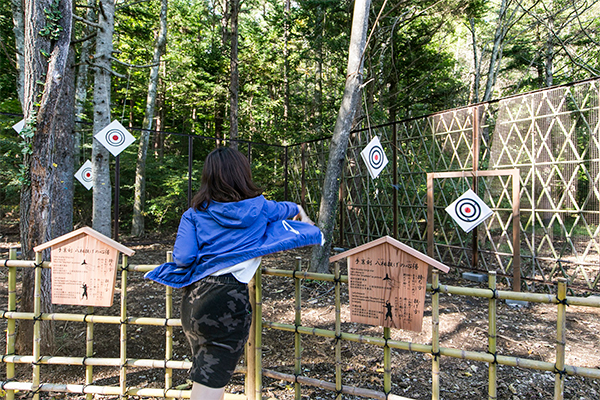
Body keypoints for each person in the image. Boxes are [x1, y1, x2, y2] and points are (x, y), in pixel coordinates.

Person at [145, 147, 322, 400]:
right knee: (211, 382)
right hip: (228, 300)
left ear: (208, 177)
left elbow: (183, 258)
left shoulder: (194, 213)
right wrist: (300, 210)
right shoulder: (261, 208)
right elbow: (285, 209)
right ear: (243, 174)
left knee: (205, 373)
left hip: (194, 299)